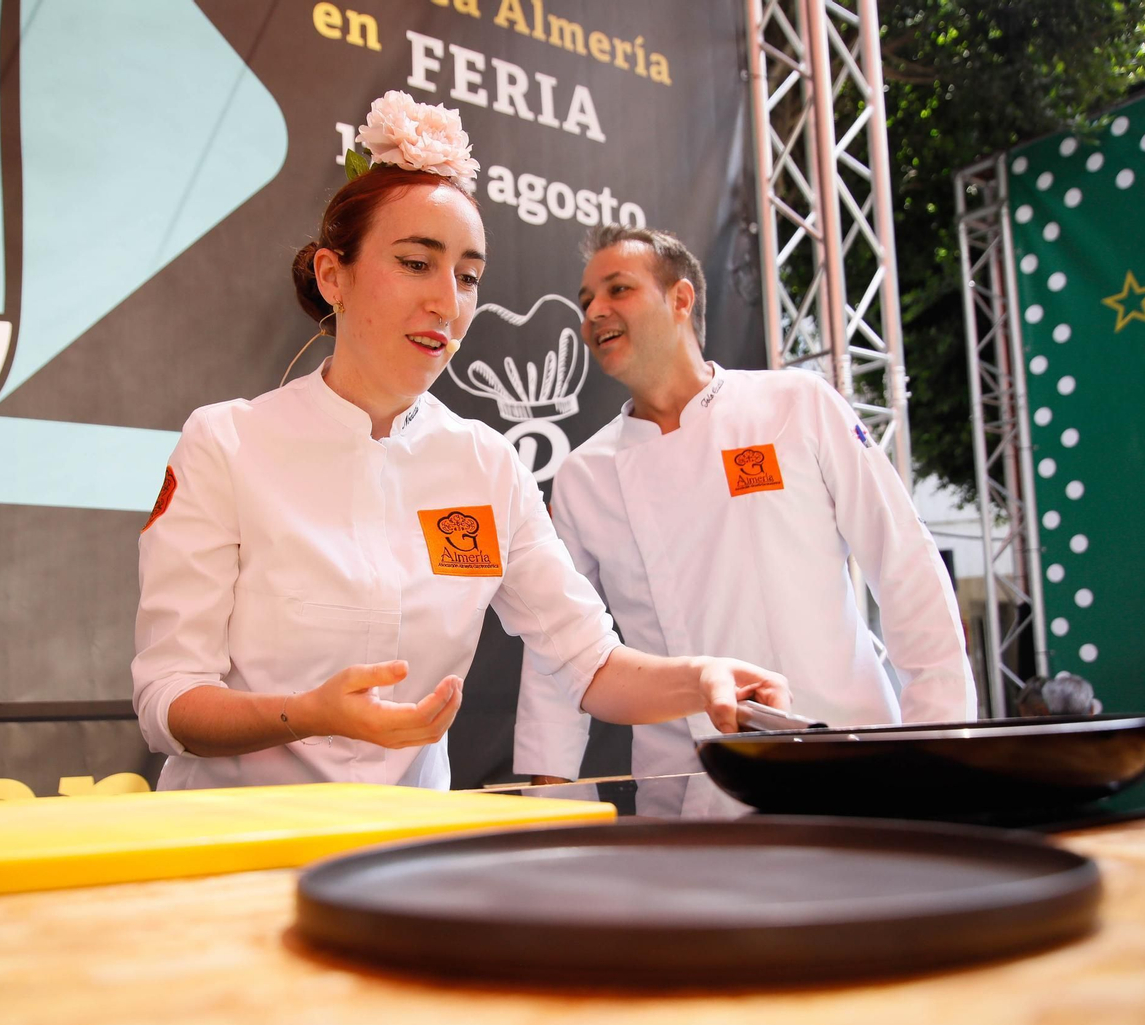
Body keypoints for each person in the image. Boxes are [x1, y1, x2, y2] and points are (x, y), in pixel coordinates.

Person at [131, 94, 789, 791]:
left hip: (404, 855)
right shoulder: (230, 442)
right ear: (333, 277)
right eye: (416, 263)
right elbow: (168, 701)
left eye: (468, 276)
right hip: (237, 845)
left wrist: (703, 678)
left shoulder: (485, 464)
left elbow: (590, 664)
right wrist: (307, 714)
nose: (447, 302)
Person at [514, 226, 975, 784]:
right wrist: (548, 789)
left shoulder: (796, 405)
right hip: (688, 785)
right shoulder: (585, 476)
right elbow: (561, 648)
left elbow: (905, 566)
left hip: (846, 756)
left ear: (680, 299)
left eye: (618, 291)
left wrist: (941, 742)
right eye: (586, 302)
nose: (594, 313)